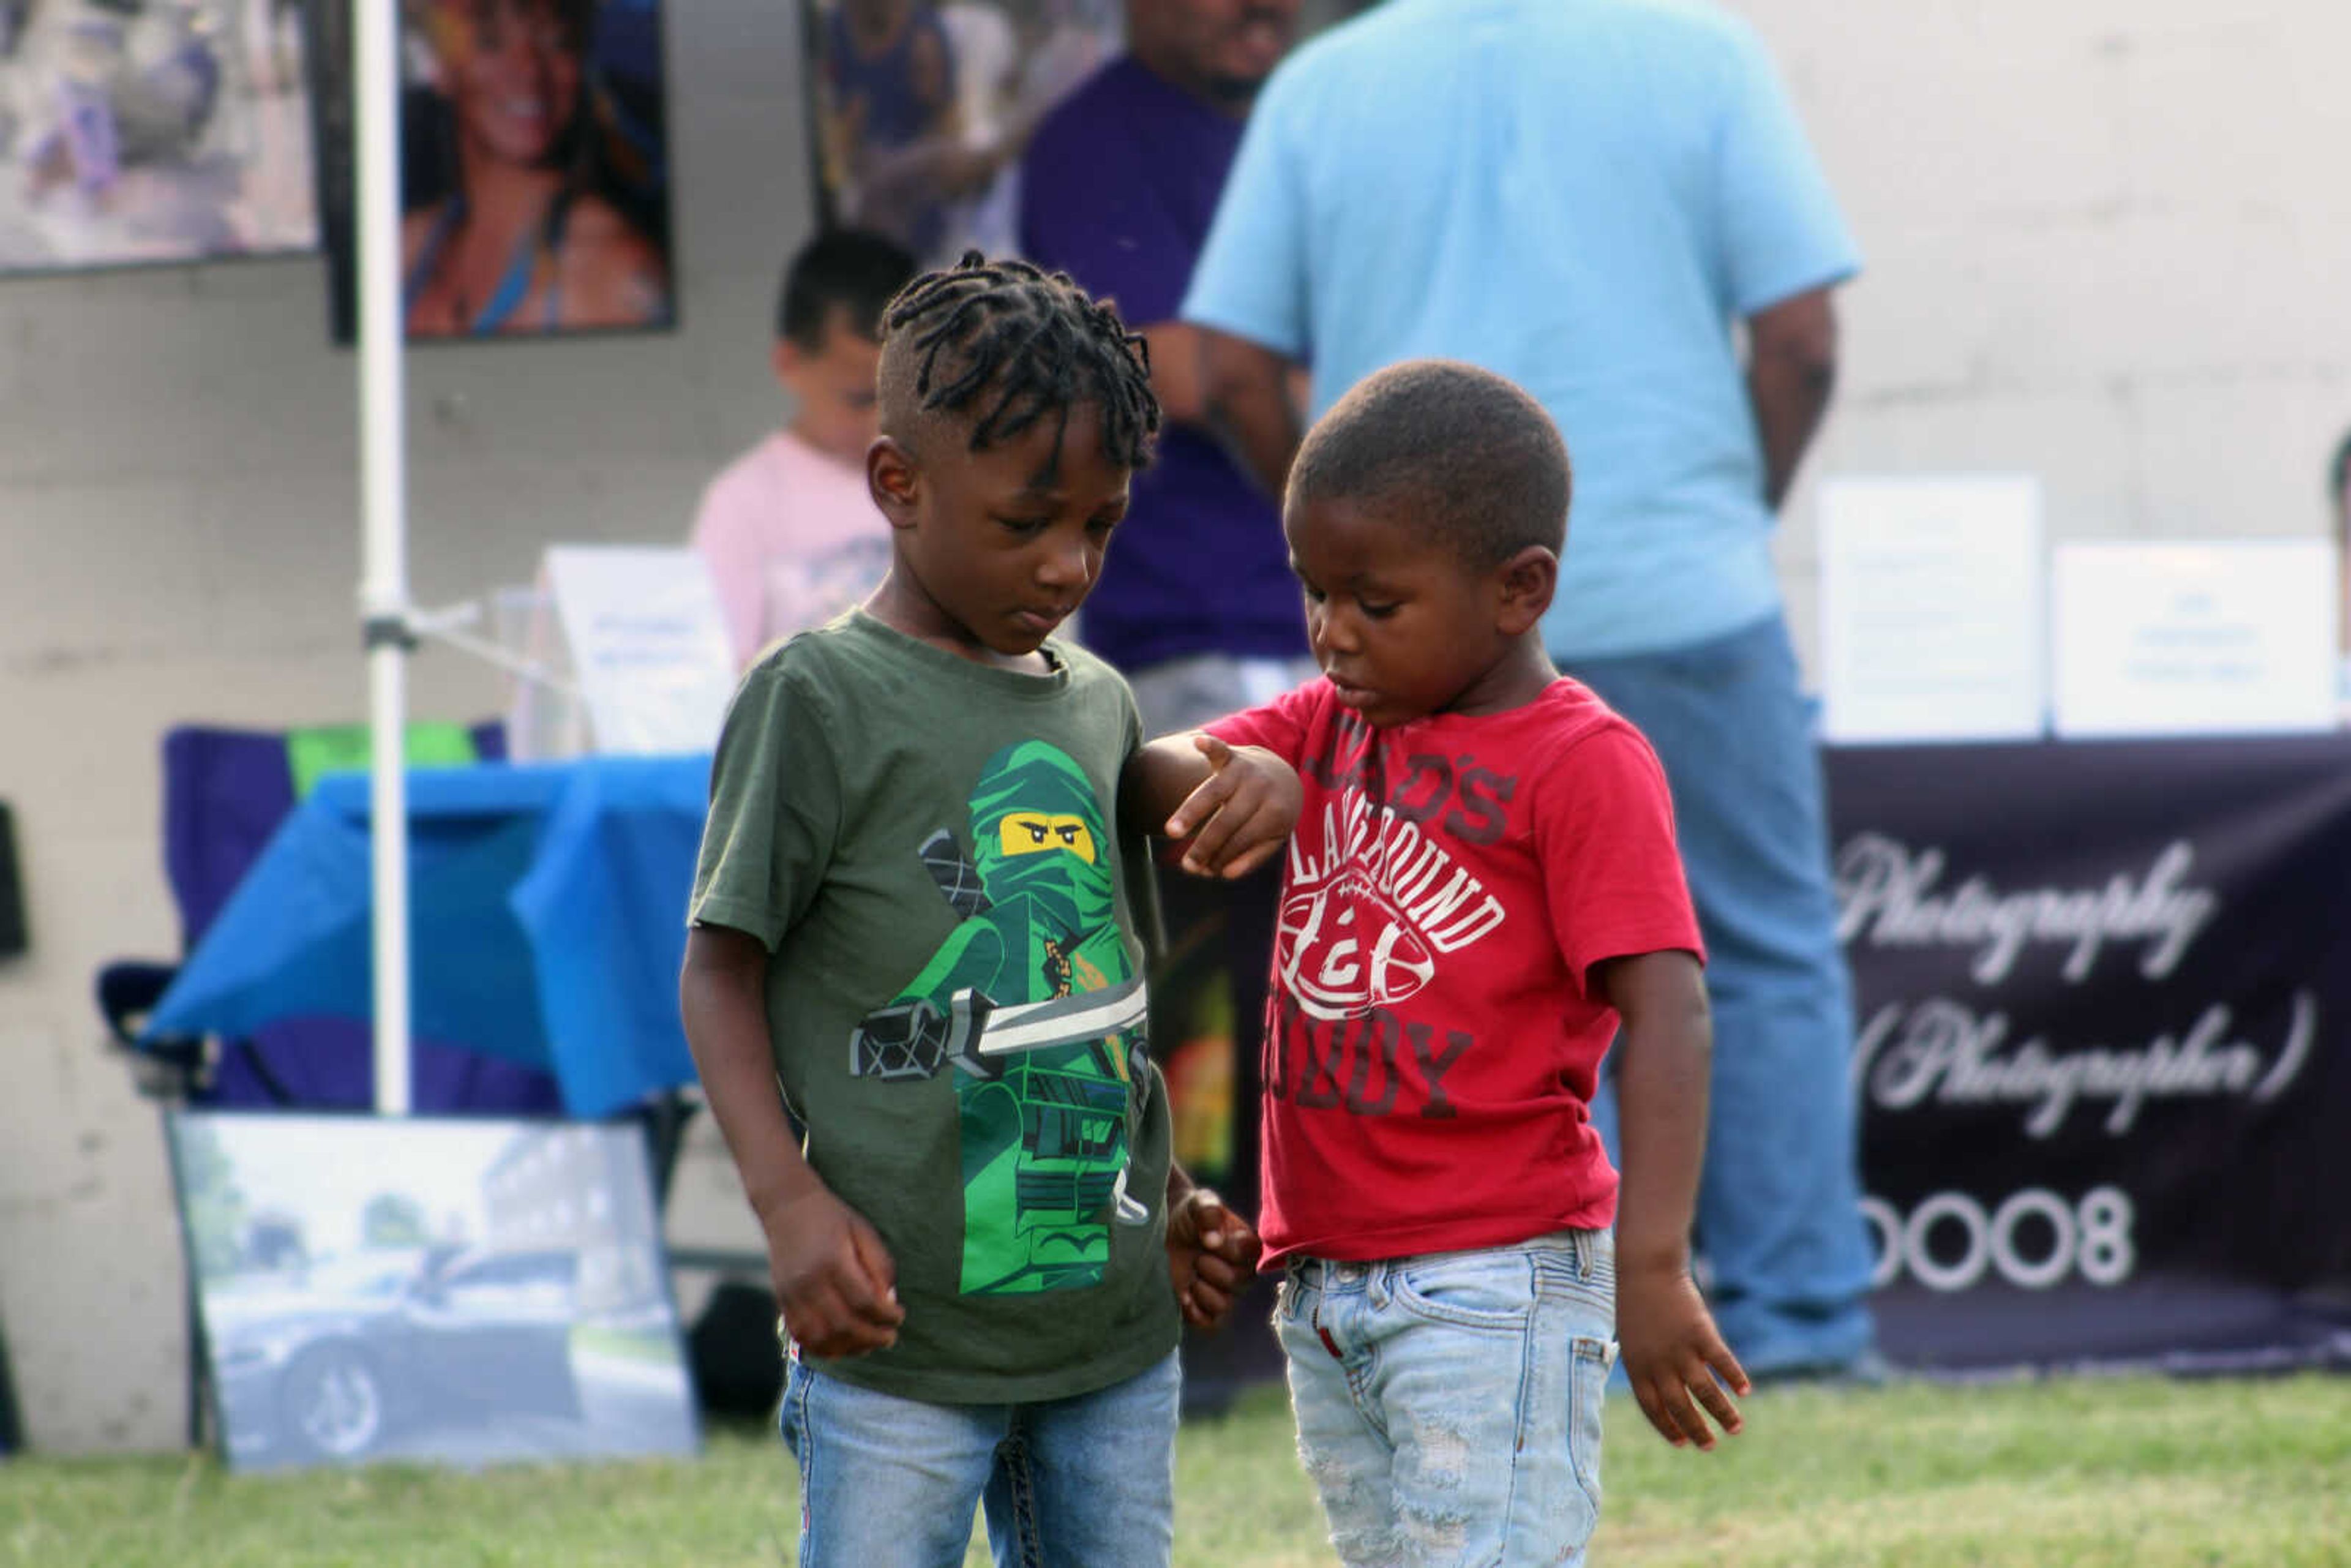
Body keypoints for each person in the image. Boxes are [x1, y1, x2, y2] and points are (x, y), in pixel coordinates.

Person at [1180, 0, 1877, 1381]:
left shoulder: (1326, 84)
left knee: (1477, 974)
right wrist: (1726, 507)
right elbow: (1800, 338)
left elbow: (1233, 369)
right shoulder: (1704, 52)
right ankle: (1803, 1318)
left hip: (1435, 642)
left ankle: (1545, 1324)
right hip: (1688, 587)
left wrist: (1368, 579)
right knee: (1755, 950)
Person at [679, 253, 1292, 1568]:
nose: (1070, 563)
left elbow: (1097, 1002)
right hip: (901, 1340)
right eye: (1027, 522)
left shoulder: (1096, 697)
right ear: (899, 485)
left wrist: (1171, 1196)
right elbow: (720, 968)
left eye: (1103, 524)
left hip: (1110, 1337)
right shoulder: (817, 698)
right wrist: (786, 1203)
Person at [1139, 360, 1745, 1566]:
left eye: (1374, 599)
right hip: (1323, 1279)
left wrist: (1655, 1262)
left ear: (1519, 590)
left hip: (1493, 1279)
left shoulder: (1582, 760)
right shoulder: (1326, 722)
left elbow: (1670, 1010)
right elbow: (1131, 769)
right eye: (1314, 591)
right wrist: (1236, 772)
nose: (1330, 630)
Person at [1016, 0, 1307, 1247]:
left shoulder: (1320, 107)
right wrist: (1370, 365)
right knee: (1199, 985)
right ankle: (1204, 1261)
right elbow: (1172, 370)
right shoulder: (1093, 140)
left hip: (1362, 628)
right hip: (1188, 635)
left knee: (1372, 966)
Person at [688, 227, 918, 672]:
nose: (881, 423)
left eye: (904, 395)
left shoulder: (954, 483)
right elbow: (720, 680)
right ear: (789, 362)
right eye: (859, 399)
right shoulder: (743, 502)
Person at [402, 0, 669, 336]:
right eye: (490, 41)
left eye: (556, 42)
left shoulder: (612, 273)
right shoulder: (406, 250)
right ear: (439, 65)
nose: (529, 69)